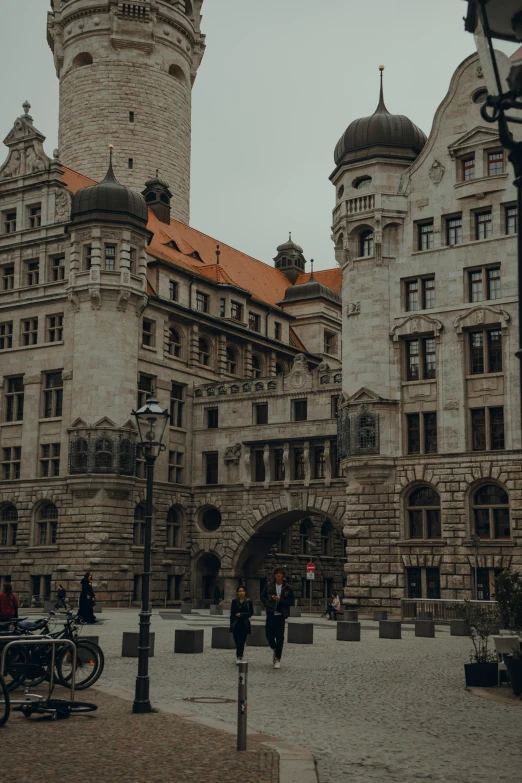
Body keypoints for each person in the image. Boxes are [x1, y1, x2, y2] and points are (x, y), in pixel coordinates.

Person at [261, 566, 294, 669]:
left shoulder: (288, 587)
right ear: (275, 574)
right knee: (269, 635)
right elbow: (262, 596)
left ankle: (278, 659)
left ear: (283, 575)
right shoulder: (269, 585)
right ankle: (274, 648)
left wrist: (280, 600)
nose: (278, 575)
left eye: (280, 573)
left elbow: (291, 601)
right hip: (271, 614)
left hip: (280, 615)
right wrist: (267, 603)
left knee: (279, 638)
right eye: (277, 573)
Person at [229, 585, 253, 664]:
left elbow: (251, 613)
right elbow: (232, 613)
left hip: (244, 624)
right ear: (237, 593)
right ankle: (239, 655)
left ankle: (239, 656)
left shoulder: (248, 602)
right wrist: (231, 624)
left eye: (242, 591)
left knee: (242, 642)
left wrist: (242, 614)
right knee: (237, 641)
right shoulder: (234, 601)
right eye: (239, 591)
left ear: (245, 592)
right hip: (236, 624)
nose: (241, 593)